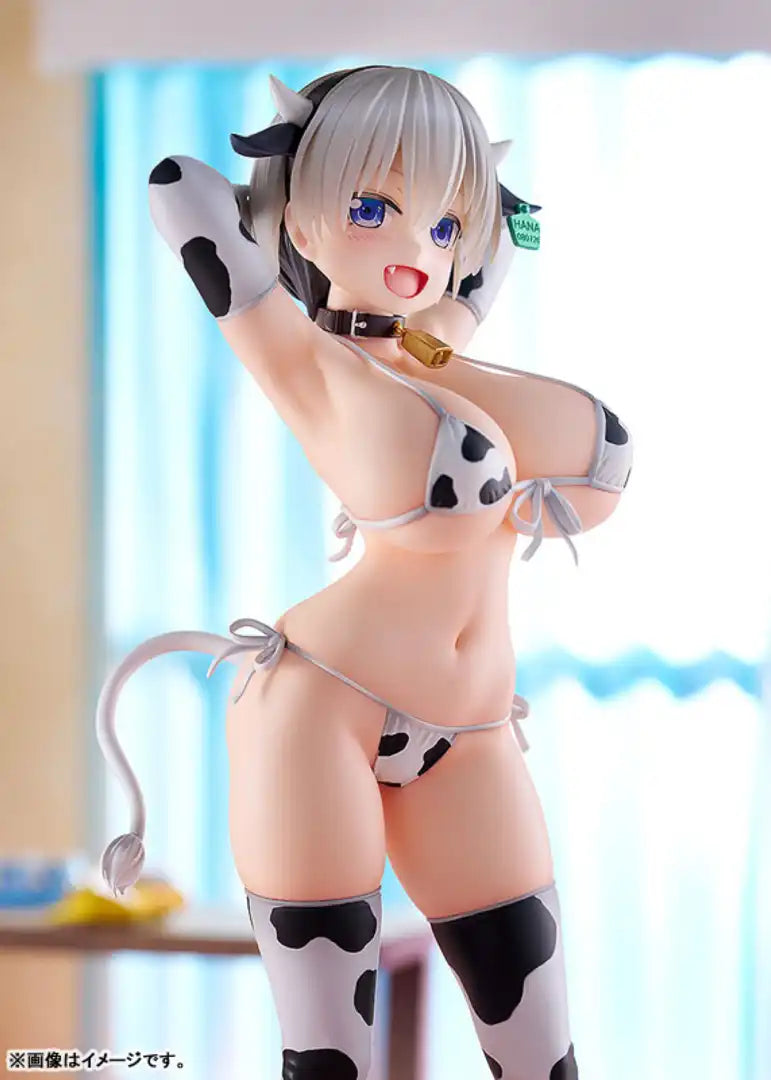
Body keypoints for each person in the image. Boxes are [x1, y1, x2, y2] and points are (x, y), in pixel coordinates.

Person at [96, 65, 633, 1080]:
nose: (416, 249)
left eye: (443, 223)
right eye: (374, 208)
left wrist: (472, 209)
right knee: (331, 1058)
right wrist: (288, 183)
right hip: (319, 709)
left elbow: (502, 244)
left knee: (542, 1058)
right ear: (304, 221)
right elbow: (179, 186)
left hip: (472, 732)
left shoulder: (442, 343)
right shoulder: (296, 355)